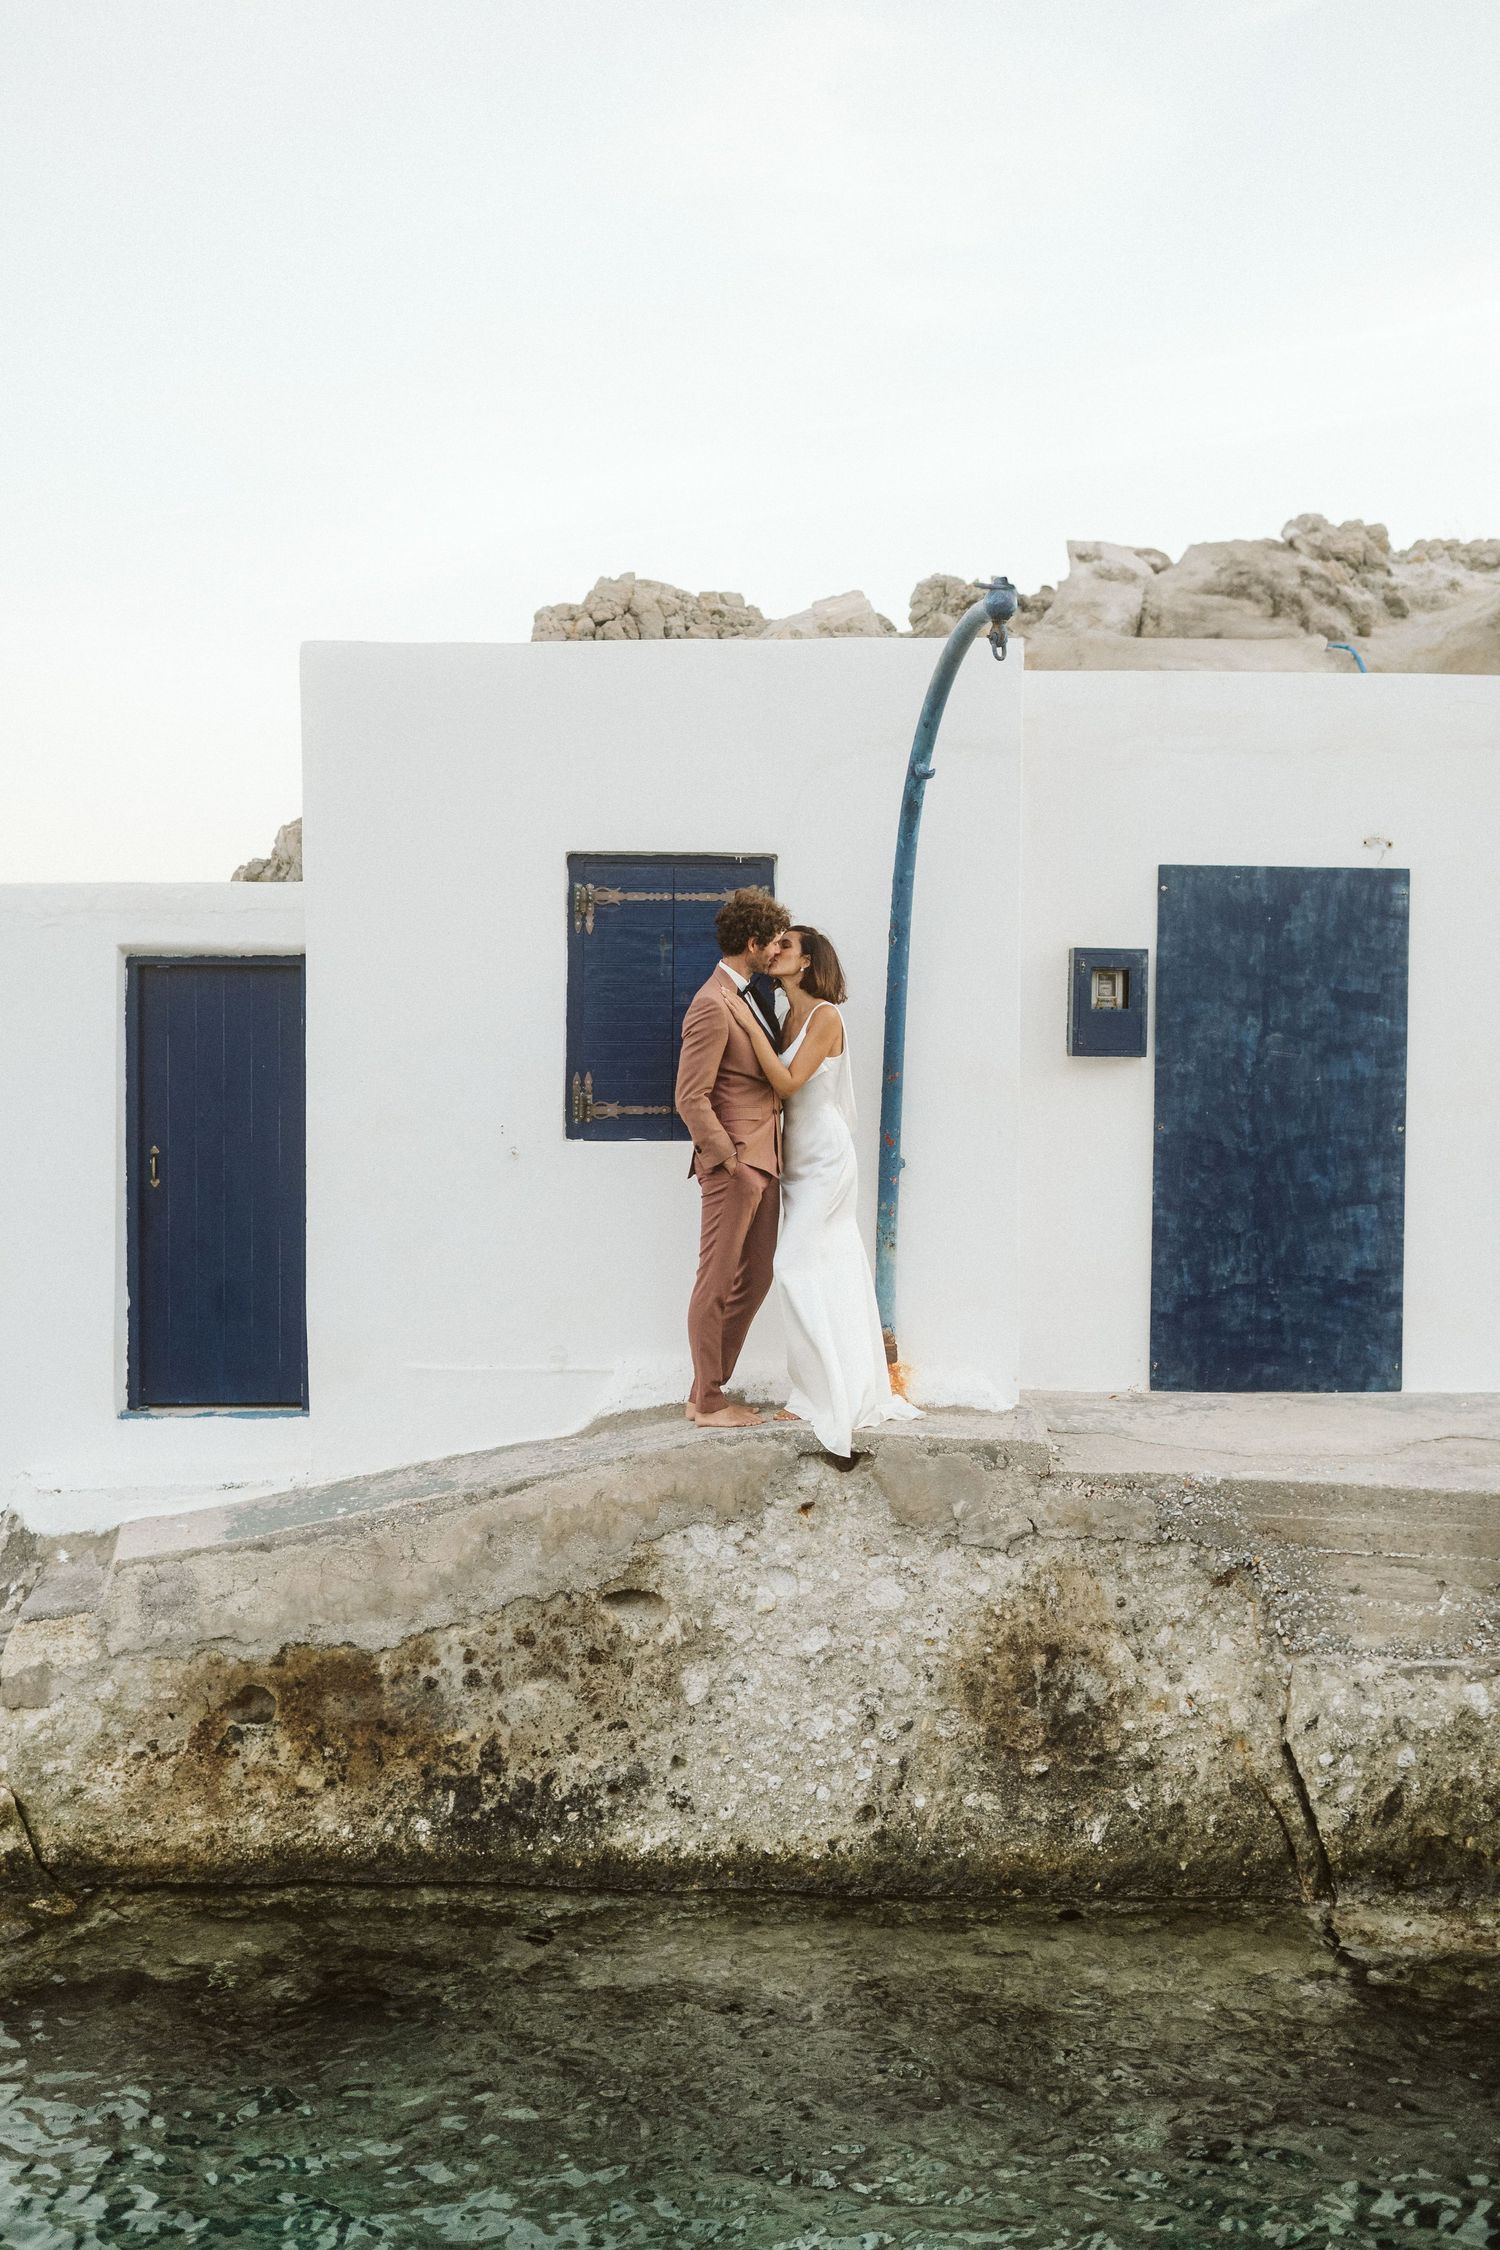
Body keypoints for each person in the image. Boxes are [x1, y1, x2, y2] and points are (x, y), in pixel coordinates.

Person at [725, 925, 921, 1458]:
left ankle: (821, 1394)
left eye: (784, 945)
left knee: (791, 1264)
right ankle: (825, 1387)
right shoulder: (788, 1014)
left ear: (807, 963)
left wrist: (746, 1023)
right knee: (830, 1266)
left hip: (827, 1158)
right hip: (799, 1156)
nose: (773, 950)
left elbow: (787, 1084)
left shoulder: (824, 1017)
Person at [674, 886, 791, 1429]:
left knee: (757, 1275)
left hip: (766, 1161)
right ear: (752, 942)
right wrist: (728, 1161)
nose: (777, 951)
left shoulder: (750, 996)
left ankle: (703, 1388)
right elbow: (689, 1095)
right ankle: (711, 1402)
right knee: (717, 1279)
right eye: (772, 942)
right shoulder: (710, 1002)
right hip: (736, 1165)